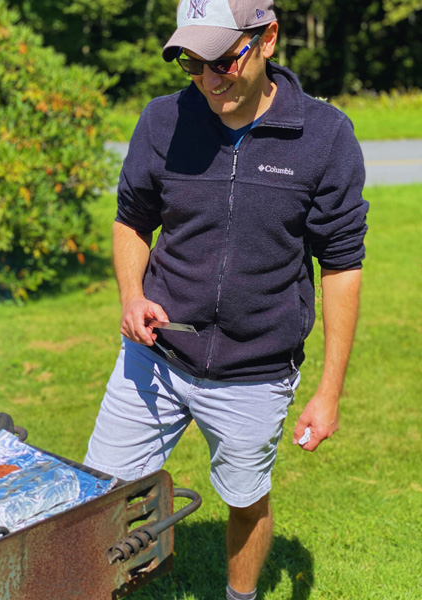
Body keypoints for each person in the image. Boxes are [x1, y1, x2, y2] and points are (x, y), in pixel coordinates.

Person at [84, 0, 368, 598]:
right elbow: (132, 220)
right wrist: (132, 295)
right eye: (192, 63)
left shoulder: (324, 136)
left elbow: (341, 264)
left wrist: (329, 391)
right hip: (154, 360)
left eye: (223, 60)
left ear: (267, 39)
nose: (210, 82)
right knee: (99, 500)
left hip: (255, 373)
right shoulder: (163, 121)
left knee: (244, 502)